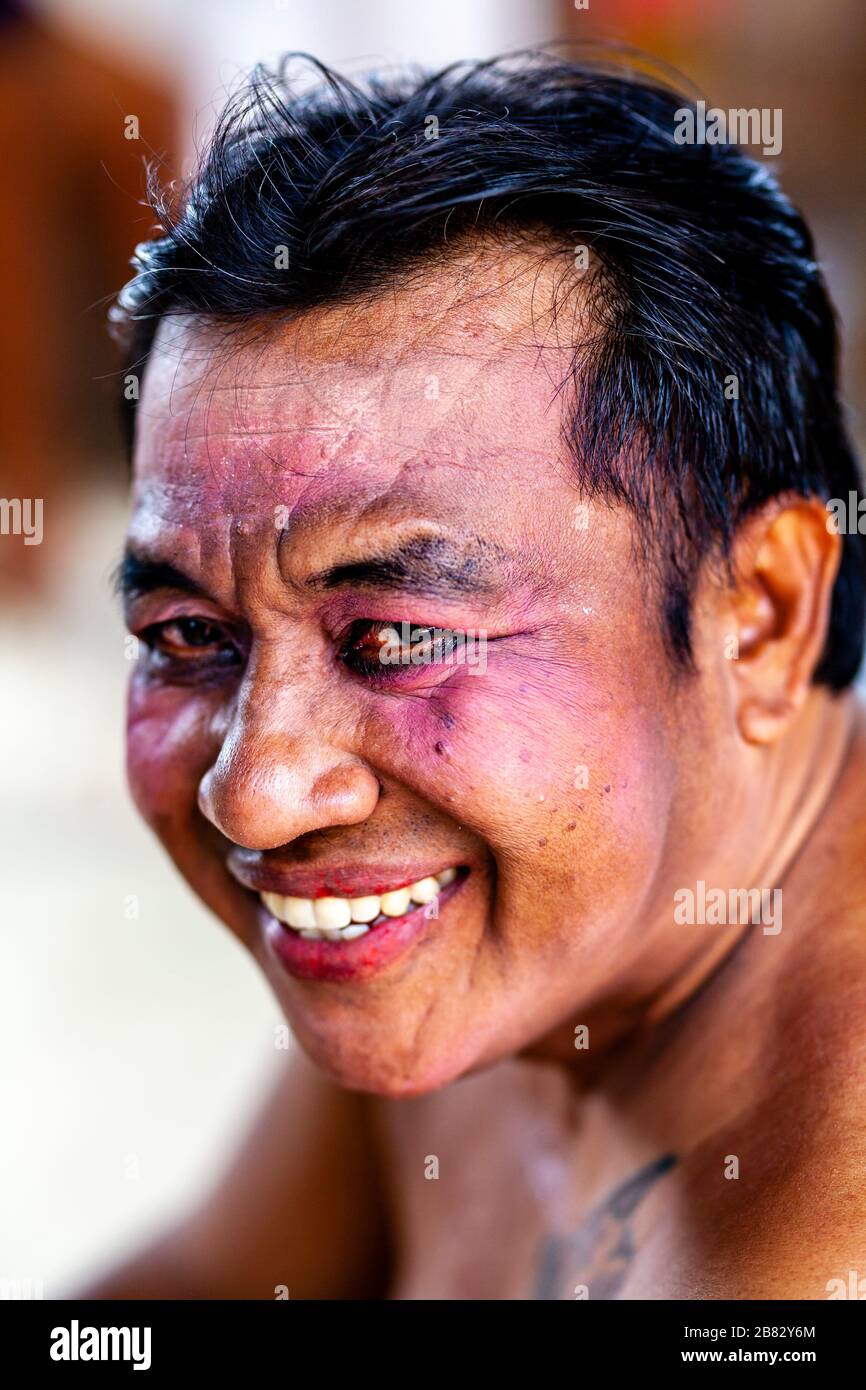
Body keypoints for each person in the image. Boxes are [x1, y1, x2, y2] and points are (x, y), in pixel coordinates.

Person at [92, 51, 866, 1299]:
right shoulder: (498, 934)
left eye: (395, 637)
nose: (260, 795)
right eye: (188, 636)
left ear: (761, 616)